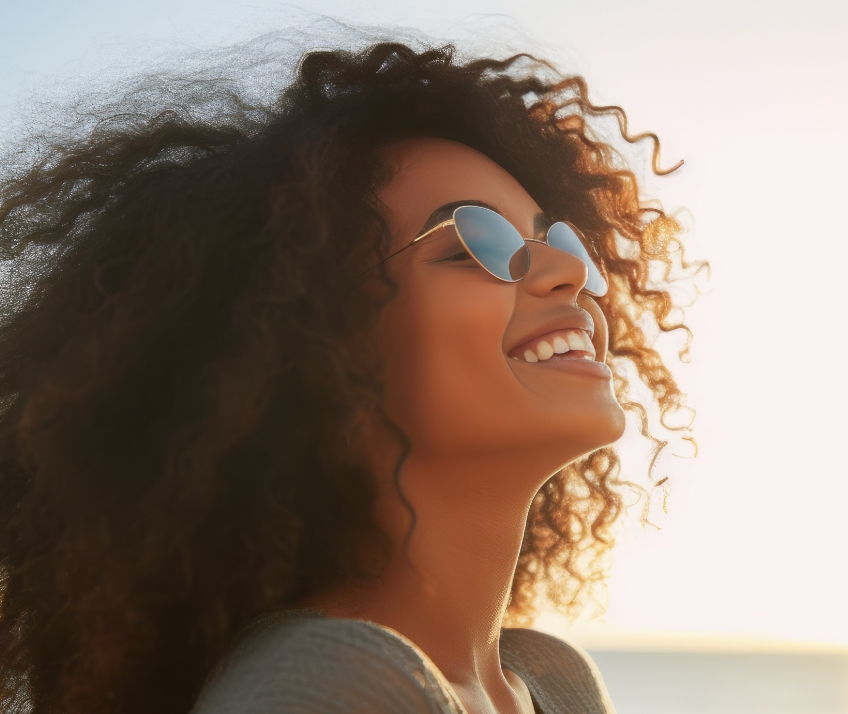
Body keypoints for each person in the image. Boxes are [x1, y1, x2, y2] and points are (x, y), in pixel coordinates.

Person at [0, 39, 690, 714]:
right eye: (474, 245)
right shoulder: (333, 685)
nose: (567, 270)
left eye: (557, 239)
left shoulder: (550, 683)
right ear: (317, 349)